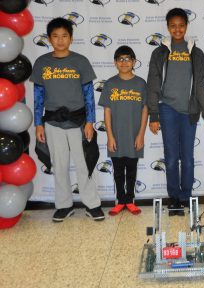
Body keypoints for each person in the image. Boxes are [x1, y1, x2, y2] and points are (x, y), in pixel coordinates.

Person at [30, 17, 104, 222]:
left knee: (84, 164)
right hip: (52, 123)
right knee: (59, 165)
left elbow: (89, 94)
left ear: (71, 38)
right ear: (49, 39)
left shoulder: (80, 61)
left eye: (64, 36)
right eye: (55, 36)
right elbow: (38, 96)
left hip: (79, 122)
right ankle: (64, 205)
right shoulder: (42, 63)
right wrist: (38, 124)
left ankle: (92, 204)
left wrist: (90, 122)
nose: (60, 40)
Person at [147, 8, 204, 216]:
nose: (177, 29)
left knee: (188, 157)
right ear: (168, 27)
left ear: (186, 26)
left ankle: (186, 196)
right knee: (171, 157)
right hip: (167, 109)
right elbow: (153, 85)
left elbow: (201, 85)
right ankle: (173, 197)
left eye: (181, 25)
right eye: (173, 25)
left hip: (189, 112)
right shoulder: (159, 53)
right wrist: (154, 115)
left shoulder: (196, 52)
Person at [98, 45, 148, 216]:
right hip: (116, 137)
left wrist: (141, 134)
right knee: (118, 171)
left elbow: (145, 110)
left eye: (128, 59)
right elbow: (107, 111)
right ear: (115, 63)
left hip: (134, 136)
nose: (124, 62)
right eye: (120, 59)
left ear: (134, 62)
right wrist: (110, 136)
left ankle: (130, 200)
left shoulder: (141, 83)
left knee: (132, 171)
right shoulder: (110, 84)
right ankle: (120, 201)